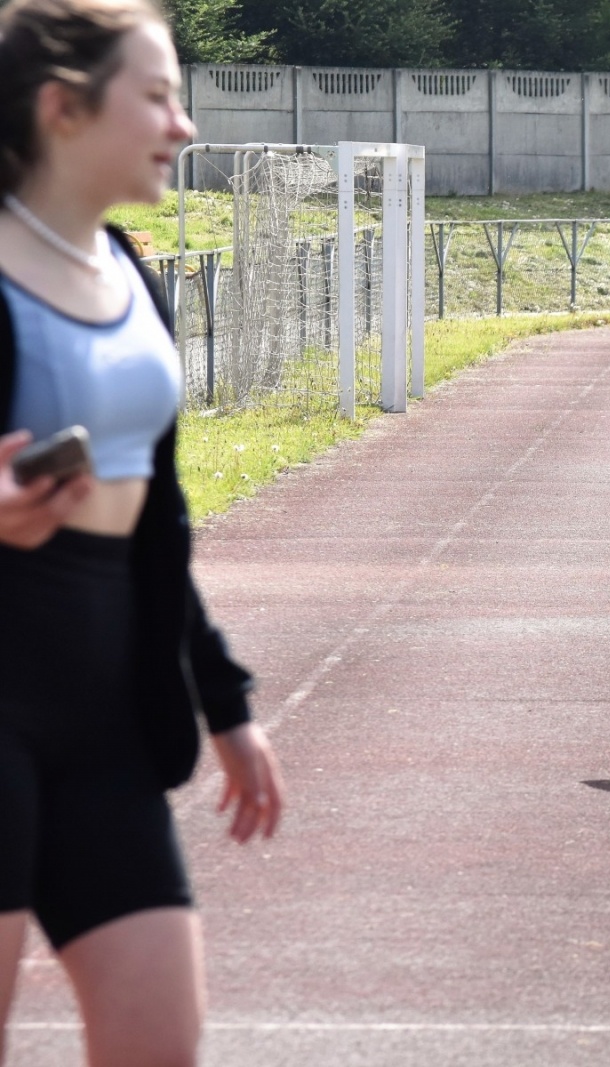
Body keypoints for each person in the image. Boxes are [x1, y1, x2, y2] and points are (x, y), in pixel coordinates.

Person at [0, 0, 285, 1063]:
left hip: (107, 718)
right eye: (158, 95)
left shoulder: (127, 270)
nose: (183, 125)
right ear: (63, 110)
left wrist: (225, 702)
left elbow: (161, 520)